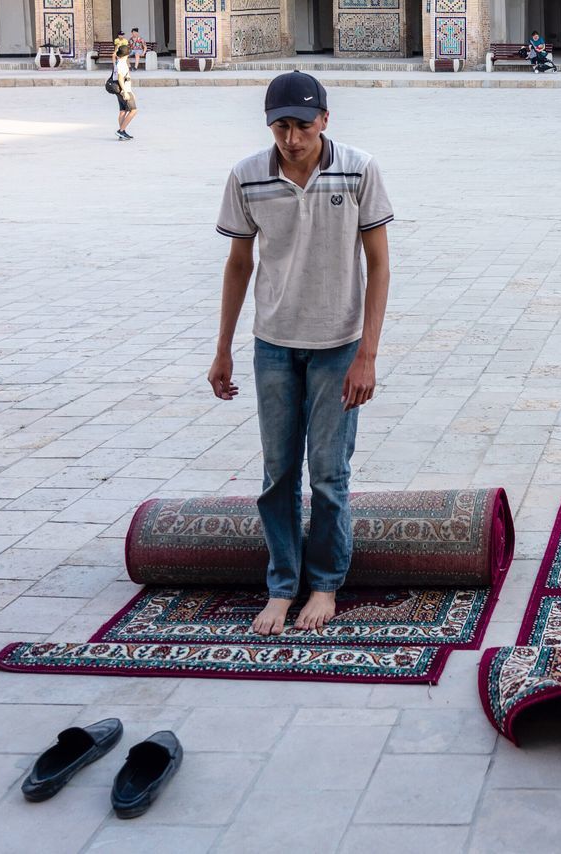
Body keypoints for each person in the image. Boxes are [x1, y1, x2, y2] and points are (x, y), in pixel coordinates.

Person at [209, 71, 394, 636]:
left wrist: (367, 354)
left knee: (329, 475)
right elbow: (239, 264)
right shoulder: (247, 176)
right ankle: (281, 586)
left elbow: (380, 264)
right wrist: (223, 350)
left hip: (338, 347)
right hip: (274, 346)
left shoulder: (359, 168)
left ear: (325, 121)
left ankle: (325, 585)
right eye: (281, 126)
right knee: (278, 473)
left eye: (303, 126)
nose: (292, 138)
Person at [113, 45, 137, 141]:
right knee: (133, 110)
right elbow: (120, 78)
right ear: (127, 54)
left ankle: (122, 133)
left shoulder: (118, 62)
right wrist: (126, 92)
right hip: (124, 90)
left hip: (120, 90)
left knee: (123, 111)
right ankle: (121, 130)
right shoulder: (122, 64)